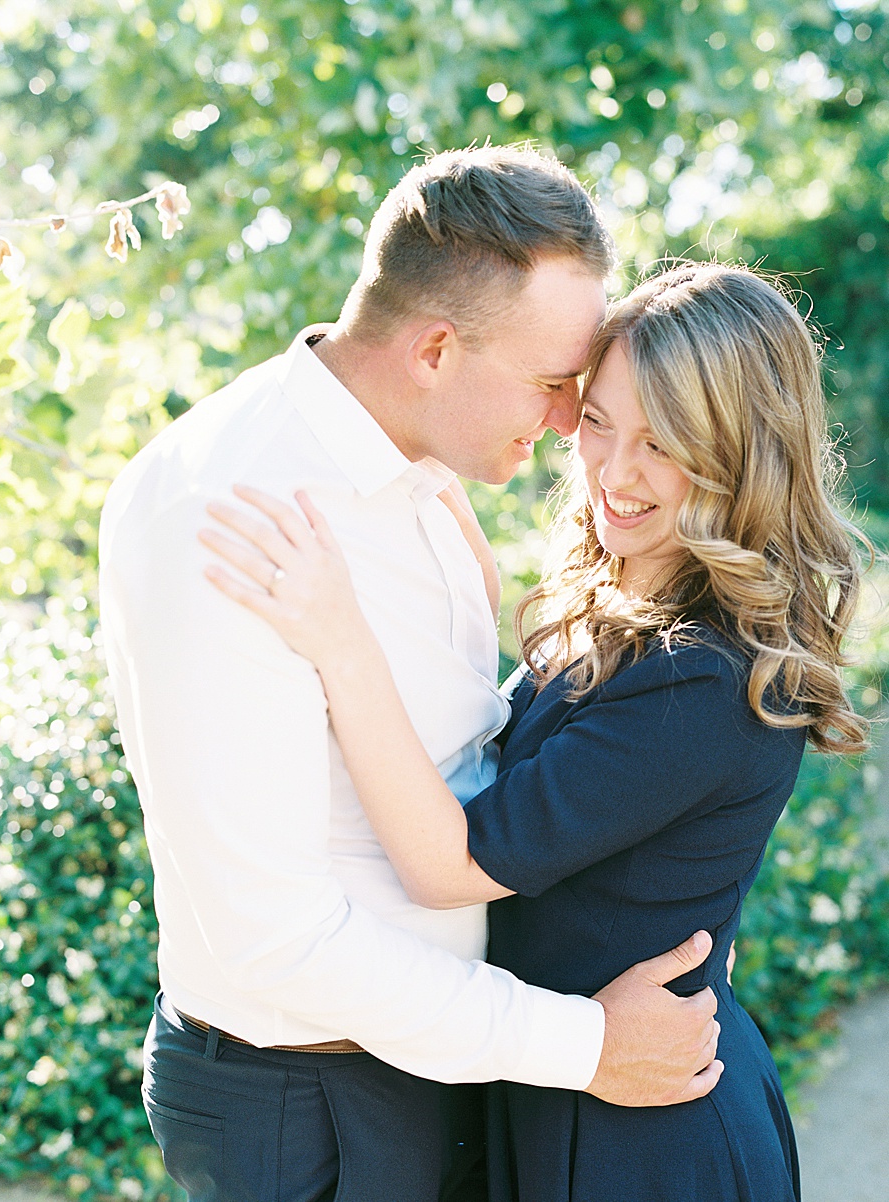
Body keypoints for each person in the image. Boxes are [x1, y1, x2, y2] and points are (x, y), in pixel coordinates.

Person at [98, 146, 724, 1202]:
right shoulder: (229, 512)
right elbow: (276, 938)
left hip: (440, 1058)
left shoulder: (416, 463)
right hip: (311, 1100)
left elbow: (462, 746)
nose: (572, 419)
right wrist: (584, 1045)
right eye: (552, 382)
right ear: (435, 347)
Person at [202, 262, 866, 1201]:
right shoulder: (630, 606)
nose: (616, 473)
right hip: (574, 1090)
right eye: (599, 422)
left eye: (663, 444)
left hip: (645, 1141)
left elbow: (452, 864)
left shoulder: (701, 680)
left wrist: (339, 641)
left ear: (741, 455)